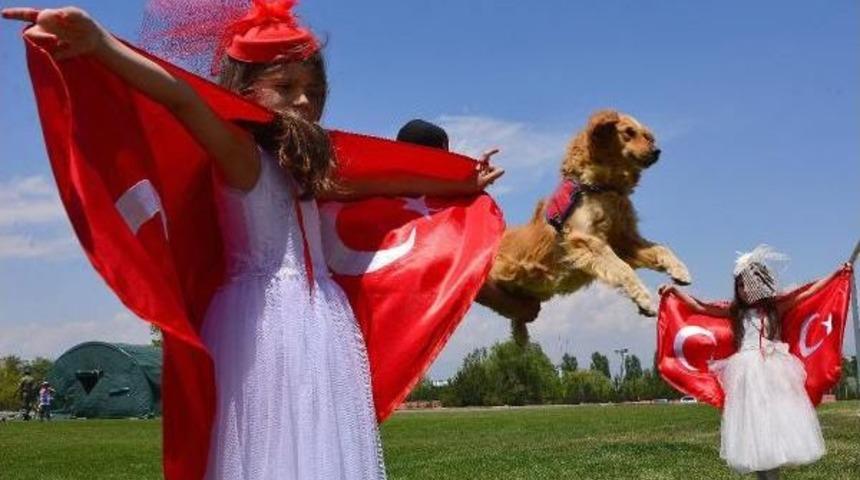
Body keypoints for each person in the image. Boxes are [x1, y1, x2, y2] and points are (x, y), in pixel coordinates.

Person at [2, 2, 502, 478]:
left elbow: (390, 180)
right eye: (285, 86)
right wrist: (100, 44)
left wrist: (461, 182)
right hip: (263, 322)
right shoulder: (241, 158)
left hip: (323, 323)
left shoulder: (312, 171)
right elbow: (180, 97)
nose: (304, 100)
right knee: (270, 447)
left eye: (312, 89)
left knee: (320, 444)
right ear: (244, 91)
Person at [660, 245, 842, 480]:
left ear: (762, 284)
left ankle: (772, 475)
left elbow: (807, 293)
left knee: (772, 425)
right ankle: (762, 475)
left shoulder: (775, 308)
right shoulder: (735, 312)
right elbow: (700, 307)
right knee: (753, 428)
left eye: (749, 284)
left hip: (772, 371)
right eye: (740, 285)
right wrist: (674, 292)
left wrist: (837, 275)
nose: (744, 290)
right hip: (745, 373)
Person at [396, 119, 541, 323]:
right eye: (441, 162)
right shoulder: (404, 218)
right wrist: (512, 306)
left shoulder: (377, 195)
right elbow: (452, 269)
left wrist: (465, 185)